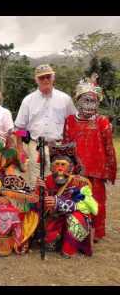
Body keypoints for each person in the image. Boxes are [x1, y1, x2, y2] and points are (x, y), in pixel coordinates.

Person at [63, 75, 117, 242]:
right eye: (85, 100)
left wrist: (110, 170)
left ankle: (95, 233)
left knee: (97, 201)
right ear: (78, 101)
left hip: (97, 170)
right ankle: (77, 229)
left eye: (92, 101)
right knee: (75, 200)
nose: (89, 104)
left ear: (97, 103)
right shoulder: (70, 121)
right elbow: (66, 145)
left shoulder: (103, 122)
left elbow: (109, 147)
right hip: (76, 171)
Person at [14, 64, 77, 189]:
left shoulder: (65, 99)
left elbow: (73, 124)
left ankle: (55, 208)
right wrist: (21, 150)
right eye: (41, 78)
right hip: (35, 147)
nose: (45, 80)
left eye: (48, 77)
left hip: (59, 148)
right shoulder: (28, 100)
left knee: (58, 183)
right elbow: (19, 129)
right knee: (35, 185)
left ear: (53, 78)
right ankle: (36, 208)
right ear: (36, 80)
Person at [36, 142, 98, 258]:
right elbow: (39, 205)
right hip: (55, 220)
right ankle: (53, 238)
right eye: (57, 165)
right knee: (49, 240)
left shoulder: (81, 182)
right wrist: (41, 190)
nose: (59, 168)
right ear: (52, 167)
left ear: (71, 167)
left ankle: (69, 247)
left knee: (78, 218)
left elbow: (88, 206)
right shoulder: (47, 180)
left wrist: (58, 202)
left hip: (72, 217)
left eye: (63, 165)